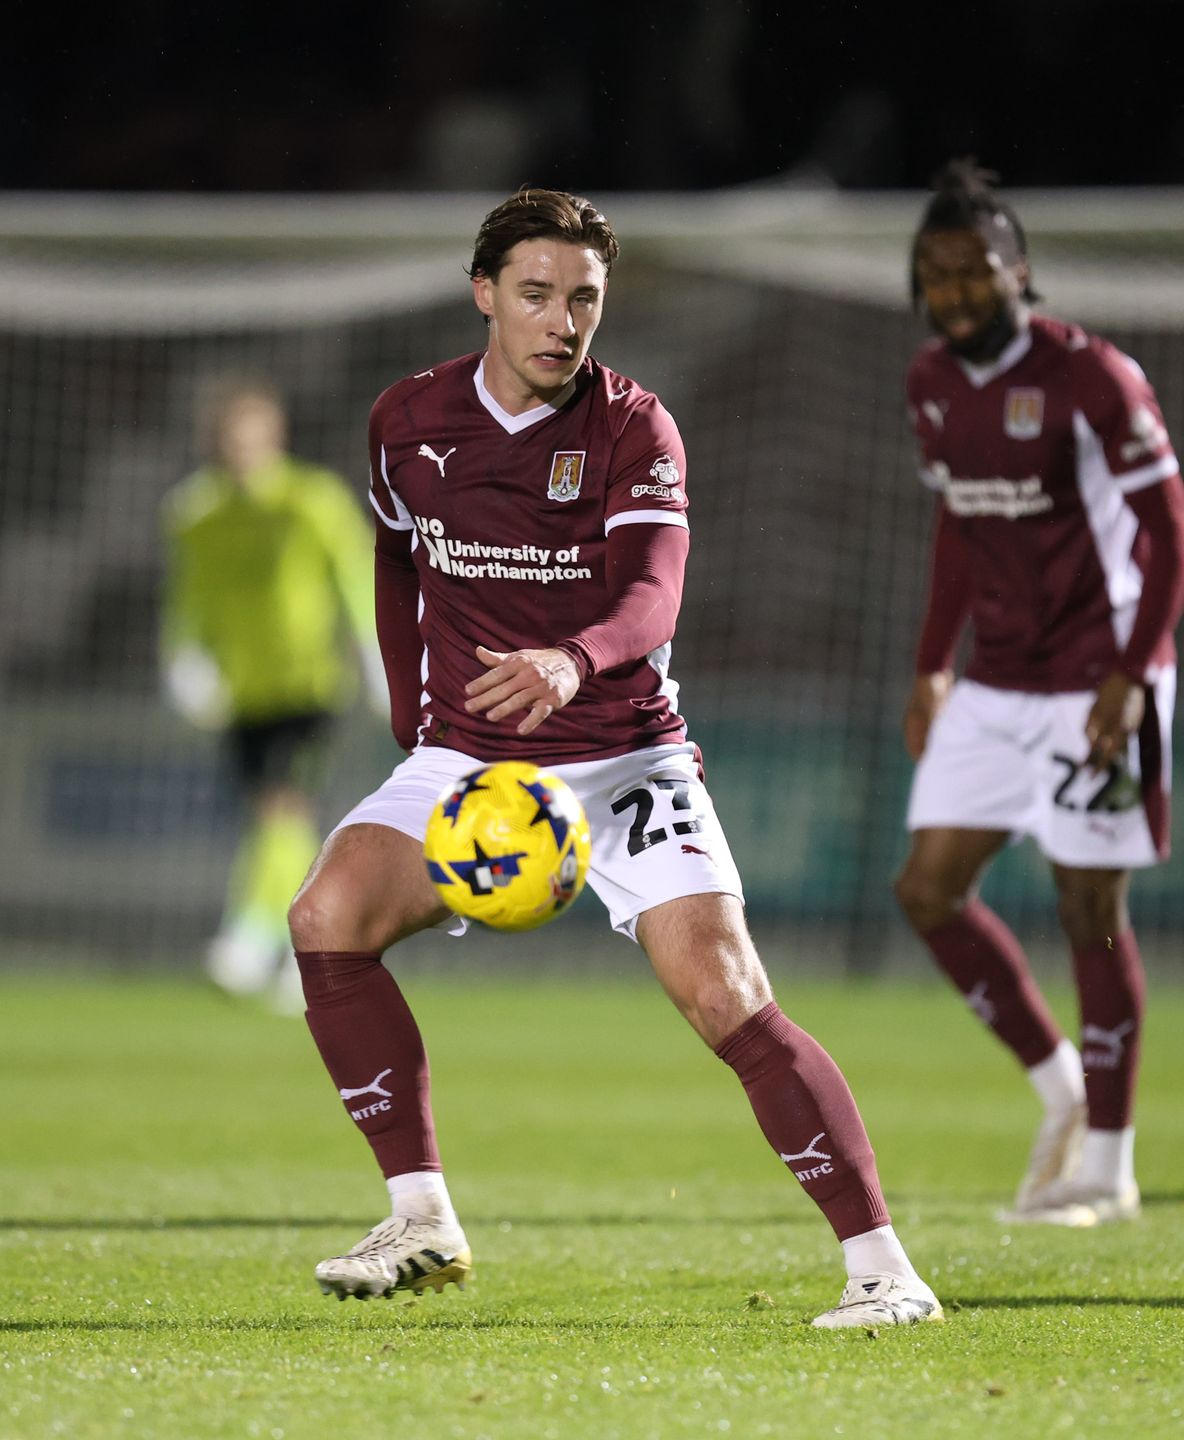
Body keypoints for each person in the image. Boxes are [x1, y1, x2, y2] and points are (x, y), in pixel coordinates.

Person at [288, 187, 942, 1329]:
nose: (562, 321)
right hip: (470, 757)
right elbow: (394, 553)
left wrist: (570, 661)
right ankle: (421, 1217)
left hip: (622, 756)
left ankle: (885, 1272)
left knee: (728, 997)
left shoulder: (634, 427)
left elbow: (654, 594)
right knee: (323, 916)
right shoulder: (407, 417)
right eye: (537, 294)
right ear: (484, 293)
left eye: (584, 298)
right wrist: (410, 703)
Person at [896, 160, 1184, 1226]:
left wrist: (1133, 673)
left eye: (975, 269)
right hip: (997, 680)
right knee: (926, 892)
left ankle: (1106, 1165)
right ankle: (1061, 1087)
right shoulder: (930, 381)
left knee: (1088, 910)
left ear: (1017, 271)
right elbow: (957, 525)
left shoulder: (1090, 376)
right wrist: (934, 662)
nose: (956, 290)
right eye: (937, 273)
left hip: (1096, 680)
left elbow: (1167, 532)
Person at [161, 379, 383, 1009]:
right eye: (233, 440)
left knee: (279, 810)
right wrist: (184, 658)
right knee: (280, 820)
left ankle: (250, 934)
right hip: (242, 692)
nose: (244, 451)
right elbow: (190, 595)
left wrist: (376, 654)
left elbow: (355, 575)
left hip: (309, 684)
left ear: (275, 437)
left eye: (253, 438)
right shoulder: (196, 513)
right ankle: (314, 952)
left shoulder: (312, 500)